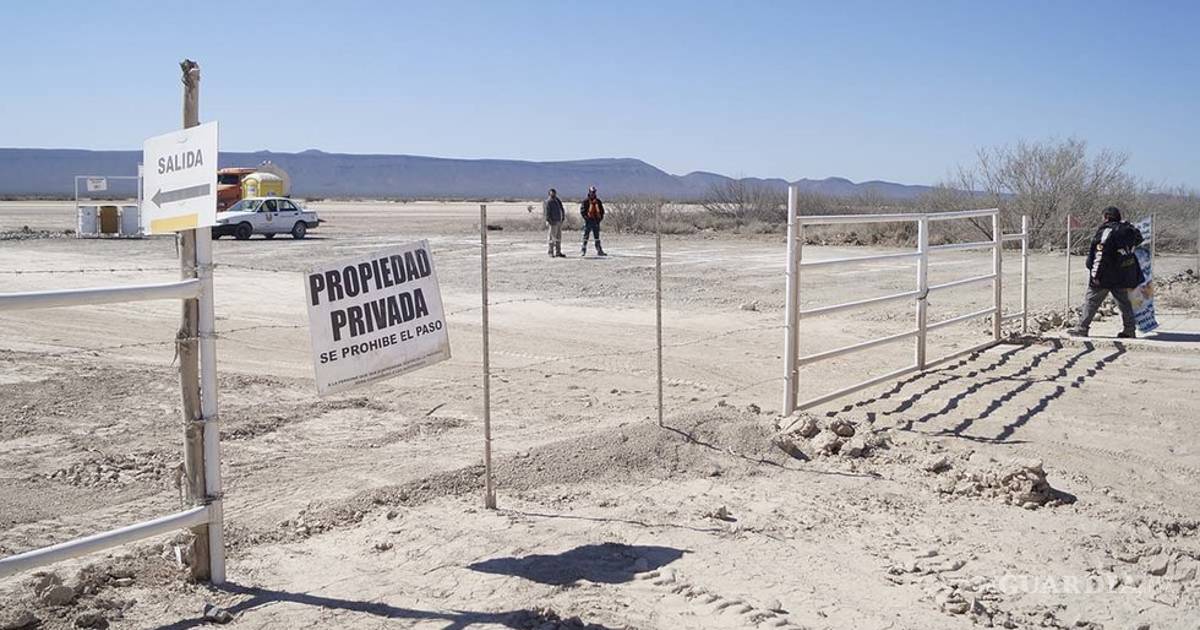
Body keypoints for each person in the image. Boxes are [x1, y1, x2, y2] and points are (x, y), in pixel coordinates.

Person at [1068, 206, 1144, 338]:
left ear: (1107, 217)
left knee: (1091, 301)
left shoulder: (1107, 232)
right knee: (1125, 304)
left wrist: (1095, 275)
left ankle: (1082, 328)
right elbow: (1138, 239)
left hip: (1105, 275)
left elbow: (1100, 254)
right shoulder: (1129, 230)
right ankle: (1129, 330)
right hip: (1124, 275)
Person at [579, 185, 606, 256]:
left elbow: (602, 211)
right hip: (588, 222)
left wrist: (599, 219)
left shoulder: (598, 202)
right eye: (592, 192)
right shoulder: (585, 201)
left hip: (596, 222)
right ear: (589, 192)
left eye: (594, 192)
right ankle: (583, 250)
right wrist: (586, 219)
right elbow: (582, 211)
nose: (593, 193)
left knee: (597, 237)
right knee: (585, 237)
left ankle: (599, 250)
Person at [542, 188, 566, 258]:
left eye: (554, 193)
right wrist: (550, 221)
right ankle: (550, 252)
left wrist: (563, 217)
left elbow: (561, 208)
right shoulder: (548, 202)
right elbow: (546, 213)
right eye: (552, 193)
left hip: (559, 221)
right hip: (553, 222)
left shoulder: (557, 200)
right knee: (551, 238)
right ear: (549, 194)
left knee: (558, 238)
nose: (553, 194)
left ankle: (558, 252)